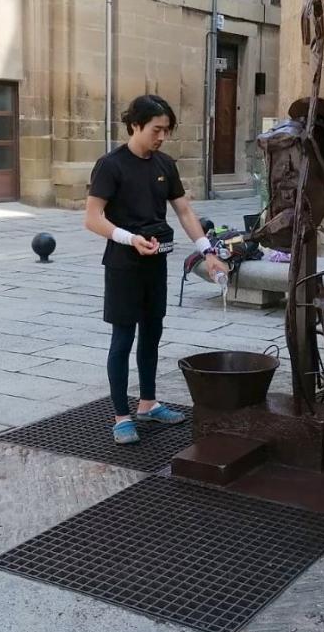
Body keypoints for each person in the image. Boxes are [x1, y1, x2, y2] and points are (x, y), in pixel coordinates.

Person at [84, 95, 230, 445]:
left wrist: (207, 252)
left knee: (152, 333)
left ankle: (148, 402)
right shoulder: (111, 165)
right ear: (135, 125)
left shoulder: (165, 164)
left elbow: (184, 212)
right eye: (156, 129)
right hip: (123, 264)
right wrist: (128, 238)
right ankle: (121, 416)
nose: (162, 136)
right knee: (123, 339)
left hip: (156, 261)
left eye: (166, 130)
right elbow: (92, 218)